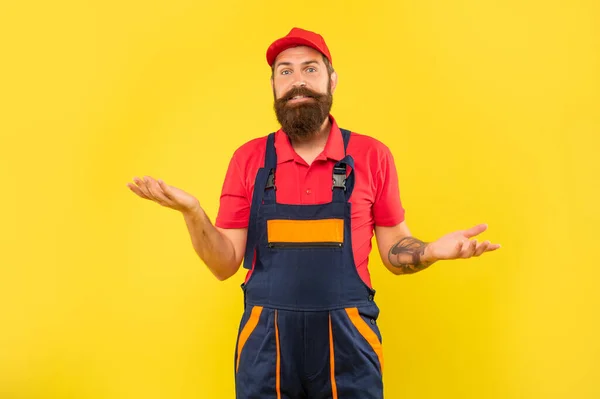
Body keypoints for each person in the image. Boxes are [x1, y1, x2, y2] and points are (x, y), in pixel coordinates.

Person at [127, 27, 501, 399]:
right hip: (265, 343)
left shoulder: (371, 156)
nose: (297, 82)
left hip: (349, 339)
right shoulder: (249, 160)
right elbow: (224, 264)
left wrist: (432, 250)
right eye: (285, 72)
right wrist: (193, 213)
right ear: (273, 86)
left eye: (310, 69)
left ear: (332, 80)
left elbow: (394, 250)